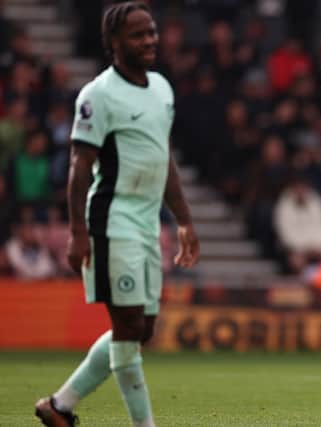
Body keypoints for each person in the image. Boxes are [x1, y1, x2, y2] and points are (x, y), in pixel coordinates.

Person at [35, 3, 200, 427]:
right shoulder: (98, 94)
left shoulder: (162, 88)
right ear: (113, 43)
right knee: (127, 327)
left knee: (141, 328)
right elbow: (79, 166)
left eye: (152, 32)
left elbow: (163, 160)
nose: (149, 41)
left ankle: (59, 406)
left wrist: (183, 220)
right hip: (112, 221)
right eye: (137, 35)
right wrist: (78, 232)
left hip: (147, 222)